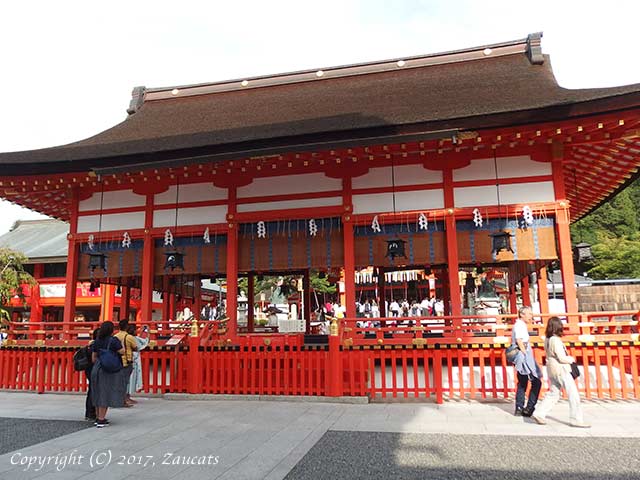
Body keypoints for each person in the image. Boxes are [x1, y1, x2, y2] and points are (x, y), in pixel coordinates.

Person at [532, 317, 590, 428]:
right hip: (561, 369)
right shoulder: (555, 340)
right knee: (573, 394)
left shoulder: (547, 339)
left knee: (554, 393)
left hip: (551, 369)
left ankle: (539, 413)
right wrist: (571, 359)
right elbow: (561, 358)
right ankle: (576, 419)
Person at [90, 321, 126, 428]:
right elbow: (122, 351)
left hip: (97, 368)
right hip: (107, 369)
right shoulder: (114, 340)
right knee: (105, 393)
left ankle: (98, 417)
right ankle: (101, 420)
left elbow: (93, 357)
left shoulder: (97, 341)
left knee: (97, 392)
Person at [512, 306, 542, 417]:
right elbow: (519, 341)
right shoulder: (519, 326)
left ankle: (519, 407)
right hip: (524, 355)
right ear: (522, 314)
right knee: (536, 381)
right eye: (529, 314)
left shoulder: (520, 325)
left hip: (522, 355)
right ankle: (529, 407)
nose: (531, 316)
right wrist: (525, 355)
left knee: (523, 382)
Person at [115, 319, 138, 407]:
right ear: (127, 327)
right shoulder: (129, 337)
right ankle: (123, 400)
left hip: (118, 361)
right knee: (125, 382)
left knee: (118, 381)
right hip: (127, 361)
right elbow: (135, 348)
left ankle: (117, 399)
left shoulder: (116, 336)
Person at [126, 324, 150, 400]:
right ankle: (126, 397)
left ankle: (127, 397)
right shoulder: (132, 338)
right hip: (132, 358)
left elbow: (140, 341)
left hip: (129, 358)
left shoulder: (130, 337)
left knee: (130, 378)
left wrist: (144, 333)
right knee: (131, 378)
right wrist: (147, 335)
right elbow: (140, 345)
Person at [84, 328, 100, 421]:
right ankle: (92, 412)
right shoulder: (96, 345)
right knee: (94, 391)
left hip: (89, 369)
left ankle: (90, 412)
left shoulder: (90, 345)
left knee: (91, 390)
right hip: (94, 369)